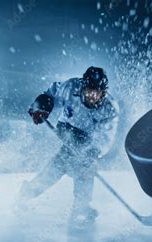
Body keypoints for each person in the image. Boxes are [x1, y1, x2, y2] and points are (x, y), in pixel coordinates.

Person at [17, 66, 119, 223]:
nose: (92, 95)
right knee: (69, 163)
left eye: (97, 92)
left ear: (103, 93)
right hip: (66, 128)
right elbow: (51, 93)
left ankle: (29, 192)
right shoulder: (71, 87)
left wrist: (92, 154)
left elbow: (105, 137)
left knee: (82, 167)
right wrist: (41, 106)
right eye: (89, 90)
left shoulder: (109, 109)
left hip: (87, 138)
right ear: (83, 86)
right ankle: (81, 208)